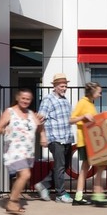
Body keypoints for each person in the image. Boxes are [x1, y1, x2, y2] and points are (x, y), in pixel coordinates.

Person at [0, 89, 44, 214]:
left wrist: (43, 137)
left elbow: (39, 126)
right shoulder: (10, 112)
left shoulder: (31, 113)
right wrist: (5, 131)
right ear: (18, 98)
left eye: (28, 99)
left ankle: (14, 201)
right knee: (25, 175)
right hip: (14, 150)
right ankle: (12, 202)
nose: (25, 101)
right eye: (23, 98)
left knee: (20, 177)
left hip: (28, 151)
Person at [34, 73, 75, 203]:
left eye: (65, 86)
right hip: (55, 138)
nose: (64, 88)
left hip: (66, 138)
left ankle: (44, 185)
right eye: (62, 86)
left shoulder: (64, 100)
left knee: (63, 165)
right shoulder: (48, 100)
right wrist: (42, 136)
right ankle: (60, 194)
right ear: (55, 86)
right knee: (60, 166)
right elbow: (40, 119)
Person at [70, 82, 107, 205]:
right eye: (99, 92)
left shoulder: (90, 104)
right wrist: (83, 116)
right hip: (86, 141)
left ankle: (81, 195)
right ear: (92, 92)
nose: (100, 95)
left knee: (92, 166)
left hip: (92, 141)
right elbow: (71, 120)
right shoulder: (83, 103)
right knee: (98, 164)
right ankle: (96, 193)